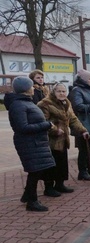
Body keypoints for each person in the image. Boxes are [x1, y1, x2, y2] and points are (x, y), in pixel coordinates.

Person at [4, 77, 55, 211]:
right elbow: (22, 127)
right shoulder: (18, 105)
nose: (34, 88)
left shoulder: (27, 102)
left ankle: (27, 195)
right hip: (29, 143)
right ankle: (32, 202)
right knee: (35, 171)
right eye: (31, 86)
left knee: (38, 170)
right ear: (25, 89)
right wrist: (46, 125)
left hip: (37, 142)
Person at [37, 83, 89, 195]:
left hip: (63, 139)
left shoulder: (66, 103)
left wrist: (83, 130)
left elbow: (73, 119)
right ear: (53, 92)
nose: (62, 93)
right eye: (59, 91)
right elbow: (42, 122)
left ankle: (60, 184)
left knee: (62, 163)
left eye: (63, 91)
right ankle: (49, 187)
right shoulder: (44, 104)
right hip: (50, 140)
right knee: (50, 164)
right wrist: (55, 130)